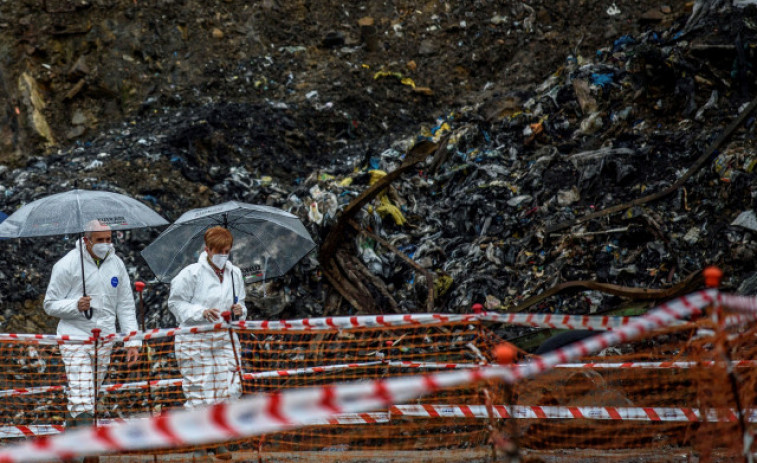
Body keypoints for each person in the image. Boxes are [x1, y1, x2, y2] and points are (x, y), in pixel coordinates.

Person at [44, 220, 141, 427]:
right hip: (74, 337)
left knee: (89, 395)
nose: (105, 244)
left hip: (104, 339)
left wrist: (132, 341)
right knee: (82, 394)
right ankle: (87, 455)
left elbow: (125, 305)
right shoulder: (67, 265)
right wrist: (75, 305)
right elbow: (50, 305)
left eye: (108, 239)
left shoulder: (116, 264)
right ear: (87, 240)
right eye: (100, 240)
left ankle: (71, 451)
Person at [168, 226, 247, 460]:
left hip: (225, 338)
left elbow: (241, 302)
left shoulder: (235, 274)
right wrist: (201, 312)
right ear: (208, 249)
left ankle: (217, 438)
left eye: (227, 251)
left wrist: (239, 310)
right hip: (195, 340)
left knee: (230, 387)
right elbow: (176, 304)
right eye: (219, 251)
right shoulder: (190, 274)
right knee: (199, 391)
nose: (224, 255)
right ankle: (198, 444)